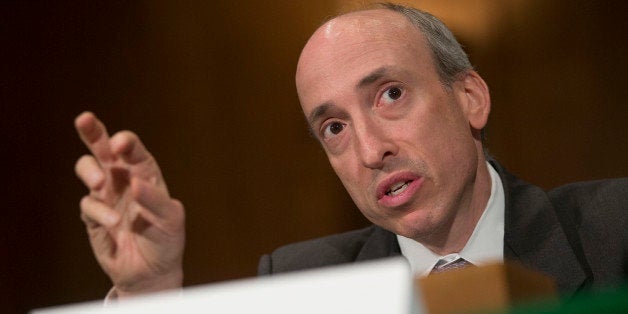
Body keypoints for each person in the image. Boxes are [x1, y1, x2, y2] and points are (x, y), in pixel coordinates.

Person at [74, 3, 626, 300]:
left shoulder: (614, 230)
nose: (370, 150)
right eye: (334, 127)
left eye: (390, 95)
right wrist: (146, 293)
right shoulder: (304, 283)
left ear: (470, 98)